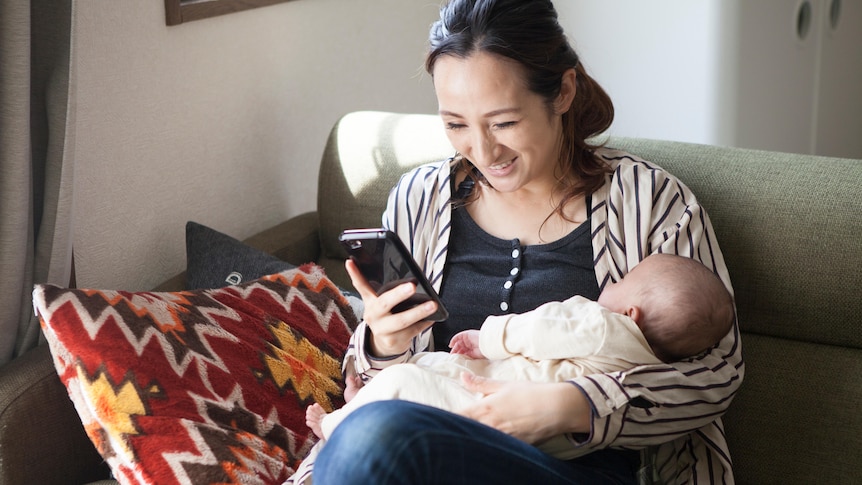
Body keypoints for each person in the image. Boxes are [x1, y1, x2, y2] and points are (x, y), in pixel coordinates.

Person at [302, 0, 744, 484]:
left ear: (563, 91)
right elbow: (372, 390)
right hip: (429, 451)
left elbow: (715, 377)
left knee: (376, 437)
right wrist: (383, 344)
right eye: (455, 124)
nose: (483, 150)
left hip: (578, 468)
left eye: (504, 122)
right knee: (374, 435)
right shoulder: (419, 199)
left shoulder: (652, 201)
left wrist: (572, 406)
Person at [302, 254, 733, 459]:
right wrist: (382, 343)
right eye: (455, 122)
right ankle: (368, 393)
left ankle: (335, 424)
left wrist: (488, 337)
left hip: (486, 405)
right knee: (421, 370)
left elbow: (542, 326)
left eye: (623, 279)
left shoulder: (603, 323)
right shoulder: (643, 363)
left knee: (406, 385)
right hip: (541, 445)